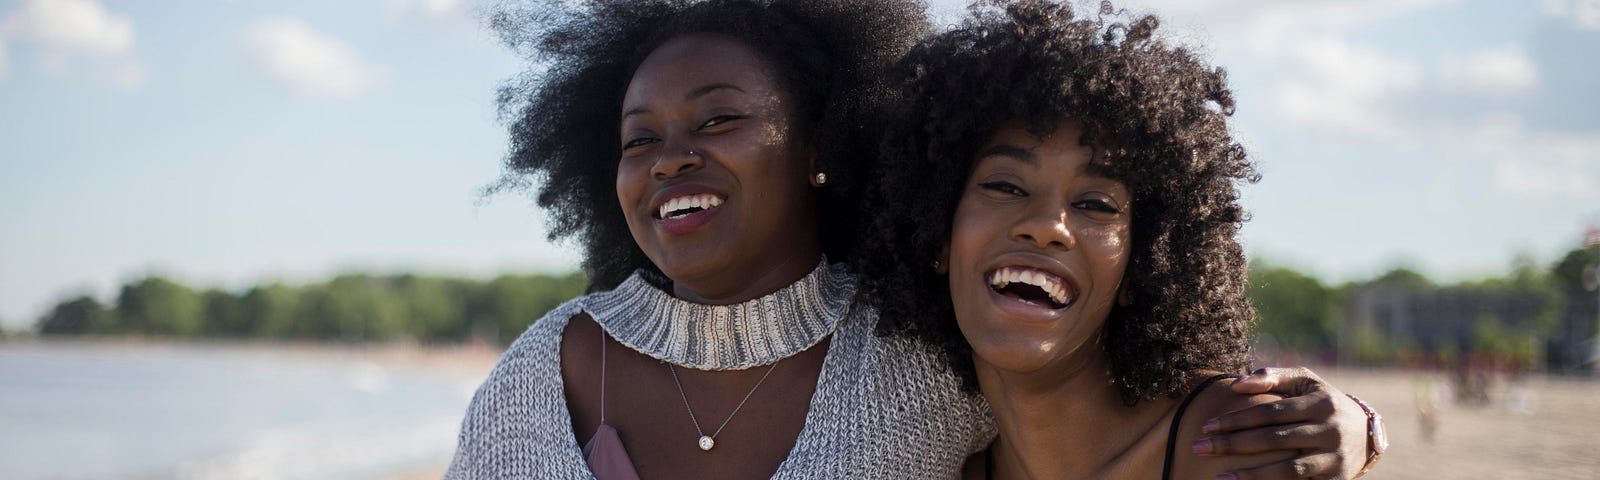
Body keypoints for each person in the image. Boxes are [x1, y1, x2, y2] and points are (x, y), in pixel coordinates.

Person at [449, 1, 1377, 478]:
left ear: (820, 146)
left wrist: (1350, 421)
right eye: (638, 139)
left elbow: (1101, 382)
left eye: (718, 120)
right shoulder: (543, 373)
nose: (669, 160)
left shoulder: (918, 352)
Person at [855, 1, 1384, 478]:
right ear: (936, 236)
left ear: (1141, 265)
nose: (1046, 225)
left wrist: (1364, 426)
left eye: (1095, 205)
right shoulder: (952, 470)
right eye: (1004, 186)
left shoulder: (1237, 440)